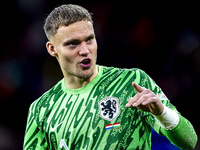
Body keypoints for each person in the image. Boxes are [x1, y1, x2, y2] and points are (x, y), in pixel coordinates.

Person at [23, 4, 197, 150]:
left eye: (89, 40)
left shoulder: (133, 82)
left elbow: (190, 141)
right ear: (52, 49)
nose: (85, 50)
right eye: (73, 43)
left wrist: (162, 113)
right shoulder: (41, 109)